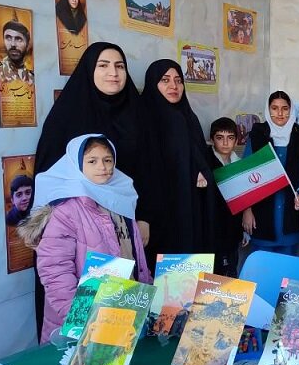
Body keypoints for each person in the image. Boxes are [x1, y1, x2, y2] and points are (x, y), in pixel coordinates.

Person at [35, 42, 155, 339]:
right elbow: (51, 178)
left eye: (119, 66)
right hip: (82, 232)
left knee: (120, 331)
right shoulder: (68, 114)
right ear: (89, 69)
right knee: (87, 336)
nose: (113, 72)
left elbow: (151, 170)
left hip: (126, 225)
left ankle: (116, 346)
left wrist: (144, 216)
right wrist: (79, 324)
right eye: (103, 65)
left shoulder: (138, 113)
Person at [18, 135, 152, 344]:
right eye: (92, 161)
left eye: (108, 160)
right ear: (76, 165)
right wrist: (81, 320)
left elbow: (135, 255)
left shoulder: (121, 199)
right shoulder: (66, 210)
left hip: (123, 312)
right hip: (85, 325)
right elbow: (55, 271)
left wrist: (145, 297)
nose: (102, 167)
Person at [141, 59, 217, 257]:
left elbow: (199, 157)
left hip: (189, 207)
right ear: (153, 83)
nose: (173, 86)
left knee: (188, 267)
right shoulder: (144, 118)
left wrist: (200, 170)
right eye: (165, 80)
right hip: (158, 213)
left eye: (178, 80)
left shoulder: (188, 117)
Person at [242, 91, 299, 256]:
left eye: (285, 108)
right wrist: (247, 210)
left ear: (291, 110)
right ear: (268, 110)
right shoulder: (257, 136)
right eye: (274, 108)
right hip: (261, 215)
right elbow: (245, 174)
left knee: (287, 267)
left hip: (290, 215)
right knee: (262, 267)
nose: (280, 113)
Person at [205, 117, 248, 277]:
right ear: (211, 140)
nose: (225, 143)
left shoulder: (238, 164)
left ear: (236, 141)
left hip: (232, 229)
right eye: (219, 138)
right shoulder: (205, 162)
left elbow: (243, 197)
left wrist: (243, 229)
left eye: (230, 138)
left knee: (230, 270)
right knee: (213, 274)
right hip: (210, 229)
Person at [0, 20, 34, 84]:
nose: (13, 44)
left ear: (27, 44)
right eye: (8, 38)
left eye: (18, 39)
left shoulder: (32, 75)